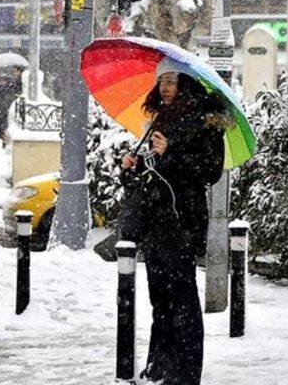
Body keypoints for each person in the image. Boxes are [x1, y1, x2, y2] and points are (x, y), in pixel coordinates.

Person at [119, 59, 229, 385]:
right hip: (156, 224)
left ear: (186, 84)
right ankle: (159, 367)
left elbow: (209, 171)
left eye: (172, 81)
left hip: (183, 223)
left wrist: (172, 152)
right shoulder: (159, 120)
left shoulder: (205, 122)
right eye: (162, 82)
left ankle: (185, 373)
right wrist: (131, 168)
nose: (165, 88)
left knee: (183, 302)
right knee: (160, 301)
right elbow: (152, 176)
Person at [0, 69, 21, 140]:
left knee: (3, 126)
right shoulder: (2, 89)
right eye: (1, 80)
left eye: (4, 80)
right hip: (3, 110)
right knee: (0, 125)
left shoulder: (10, 88)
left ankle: (2, 139)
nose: (2, 82)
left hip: (5, 110)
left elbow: (7, 99)